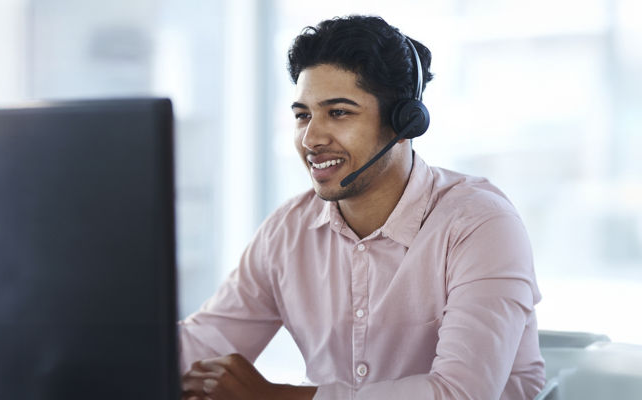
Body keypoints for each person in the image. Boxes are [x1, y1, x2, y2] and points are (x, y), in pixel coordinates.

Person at [178, 15, 544, 399]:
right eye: (303, 115)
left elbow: (460, 393)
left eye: (338, 112)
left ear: (404, 123)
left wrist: (275, 398)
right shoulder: (288, 231)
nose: (311, 138)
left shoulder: (480, 225)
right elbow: (204, 345)